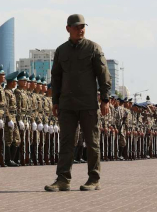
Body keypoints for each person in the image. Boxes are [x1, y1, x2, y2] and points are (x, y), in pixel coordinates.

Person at [45, 14, 111, 192]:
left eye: (82, 26)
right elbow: (56, 77)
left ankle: (94, 179)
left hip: (88, 103)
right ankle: (62, 179)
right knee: (66, 142)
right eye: (76, 27)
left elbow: (103, 75)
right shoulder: (61, 51)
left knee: (92, 142)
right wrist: (55, 101)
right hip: (67, 104)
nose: (80, 30)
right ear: (68, 28)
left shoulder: (93, 48)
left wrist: (105, 99)